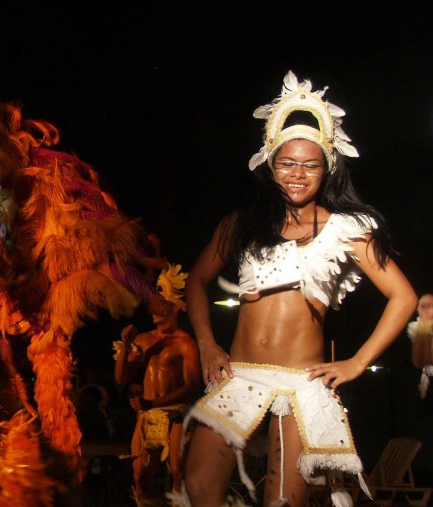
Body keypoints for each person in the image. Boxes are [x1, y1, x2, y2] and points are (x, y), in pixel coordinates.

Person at [179, 71, 418, 507]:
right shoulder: (240, 224)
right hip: (238, 373)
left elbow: (403, 297)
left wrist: (358, 362)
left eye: (310, 164)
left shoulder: (347, 230)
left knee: (284, 501)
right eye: (288, 162)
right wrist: (207, 345)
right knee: (198, 485)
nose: (297, 173)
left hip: (301, 383)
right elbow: (195, 281)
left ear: (327, 169)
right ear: (271, 165)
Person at [114, 264, 200, 506]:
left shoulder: (186, 343)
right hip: (147, 415)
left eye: (159, 300)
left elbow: (193, 384)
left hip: (177, 414)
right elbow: (122, 378)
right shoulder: (143, 340)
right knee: (140, 475)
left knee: (178, 473)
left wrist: (153, 401)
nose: (152, 306)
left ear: (174, 306)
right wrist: (126, 344)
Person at [407, 292, 433, 398]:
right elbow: (419, 362)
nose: (425, 308)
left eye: (430, 305)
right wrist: (424, 329)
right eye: (423, 305)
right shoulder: (414, 327)